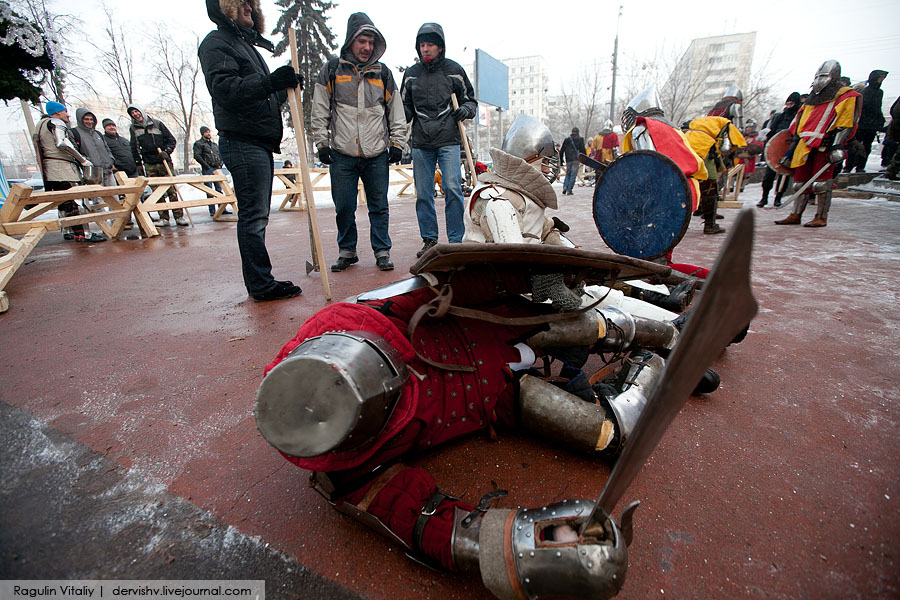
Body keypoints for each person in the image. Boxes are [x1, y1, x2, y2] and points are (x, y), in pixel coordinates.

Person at [253, 245, 730, 598]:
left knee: (589, 325)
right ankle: (656, 364)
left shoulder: (356, 315)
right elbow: (439, 527)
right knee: (613, 433)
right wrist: (546, 544)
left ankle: (670, 334)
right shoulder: (344, 465)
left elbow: (450, 287)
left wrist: (534, 280)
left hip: (493, 326)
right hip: (497, 400)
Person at [199, 0, 303, 303]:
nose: (248, 6)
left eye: (251, 2)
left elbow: (258, 100)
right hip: (242, 142)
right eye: (241, 1)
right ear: (225, 7)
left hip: (256, 140)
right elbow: (226, 89)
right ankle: (260, 284)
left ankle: (261, 280)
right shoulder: (217, 43)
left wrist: (283, 90)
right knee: (254, 217)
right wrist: (270, 82)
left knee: (258, 216)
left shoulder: (246, 47)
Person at [311, 12, 408, 273]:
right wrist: (321, 143)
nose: (366, 47)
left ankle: (382, 250)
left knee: (379, 206)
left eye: (370, 42)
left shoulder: (383, 73)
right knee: (344, 206)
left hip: (376, 152)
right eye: (361, 41)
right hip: (342, 152)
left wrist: (398, 143)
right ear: (351, 41)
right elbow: (320, 109)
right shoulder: (332, 70)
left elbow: (395, 111)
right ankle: (347, 250)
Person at [400, 22, 477, 258]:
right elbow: (403, 108)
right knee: (423, 192)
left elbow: (471, 101)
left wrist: (465, 109)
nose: (425, 49)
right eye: (422, 45)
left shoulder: (454, 71)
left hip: (448, 140)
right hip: (421, 142)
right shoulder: (411, 74)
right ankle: (429, 240)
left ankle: (455, 241)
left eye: (430, 44)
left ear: (440, 47)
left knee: (452, 187)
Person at [620, 87, 712, 278]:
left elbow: (648, 167)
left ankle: (715, 278)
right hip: (685, 192)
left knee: (652, 265)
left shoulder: (643, 127)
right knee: (661, 255)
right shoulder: (672, 127)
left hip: (666, 195)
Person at [775, 60, 861, 227]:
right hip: (804, 144)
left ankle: (820, 217)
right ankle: (796, 214)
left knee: (821, 183)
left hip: (826, 143)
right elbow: (799, 123)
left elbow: (845, 122)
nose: (820, 80)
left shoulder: (846, 96)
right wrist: (790, 149)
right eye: (818, 76)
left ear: (834, 77)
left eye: (824, 76)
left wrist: (837, 145)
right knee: (799, 182)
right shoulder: (811, 99)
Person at [463, 115, 569, 247]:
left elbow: (531, 220)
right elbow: (513, 255)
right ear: (527, 159)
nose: (547, 170)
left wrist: (550, 231)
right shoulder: (499, 201)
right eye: (544, 162)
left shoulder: (518, 193)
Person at [33, 101, 105, 242]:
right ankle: (85, 233)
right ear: (58, 112)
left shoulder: (40, 124)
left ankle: (69, 231)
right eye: (65, 111)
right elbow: (62, 143)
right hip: (64, 167)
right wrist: (82, 160)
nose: (67, 114)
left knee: (64, 202)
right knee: (79, 199)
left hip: (50, 169)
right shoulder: (56, 122)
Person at [683, 114, 747, 234]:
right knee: (710, 184)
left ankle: (700, 210)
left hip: (686, 146)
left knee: (688, 181)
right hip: (703, 148)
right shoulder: (726, 123)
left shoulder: (699, 122)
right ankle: (710, 225)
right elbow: (734, 143)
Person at [127, 105, 187, 227]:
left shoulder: (157, 124)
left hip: (163, 161)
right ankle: (163, 217)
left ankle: (179, 216)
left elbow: (171, 140)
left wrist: (167, 151)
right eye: (132, 113)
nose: (135, 114)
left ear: (141, 111)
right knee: (157, 192)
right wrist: (138, 163)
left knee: (171, 190)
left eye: (136, 111)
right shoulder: (134, 129)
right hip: (149, 163)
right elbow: (134, 147)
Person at [71, 107, 115, 240]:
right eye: (86, 119)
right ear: (80, 120)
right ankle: (104, 226)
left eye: (91, 119)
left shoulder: (98, 134)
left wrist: (111, 160)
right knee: (98, 200)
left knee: (114, 198)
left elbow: (106, 149)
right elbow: (75, 151)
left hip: (107, 168)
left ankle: (115, 225)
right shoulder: (75, 133)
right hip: (93, 171)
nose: (89, 122)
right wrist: (86, 162)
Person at [757, 92, 801, 208]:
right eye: (788, 103)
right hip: (776, 149)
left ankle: (778, 198)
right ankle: (764, 197)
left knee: (784, 176)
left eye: (791, 104)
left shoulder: (798, 118)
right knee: (768, 175)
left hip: (789, 150)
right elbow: (771, 134)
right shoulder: (779, 117)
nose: (789, 106)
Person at [848, 69, 888, 173]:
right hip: (861, 124)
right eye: (879, 78)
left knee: (867, 146)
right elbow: (861, 108)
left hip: (871, 125)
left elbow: (877, 108)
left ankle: (860, 166)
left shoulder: (879, 92)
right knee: (855, 146)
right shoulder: (864, 92)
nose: (881, 80)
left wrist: (880, 120)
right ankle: (849, 166)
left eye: (882, 78)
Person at [193, 125, 229, 216]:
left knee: (219, 189)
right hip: (208, 169)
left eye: (209, 132)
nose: (208, 134)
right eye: (206, 132)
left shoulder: (214, 145)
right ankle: (212, 211)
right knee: (209, 190)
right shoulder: (199, 144)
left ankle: (222, 208)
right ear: (202, 133)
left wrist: (220, 163)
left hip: (217, 168)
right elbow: (197, 156)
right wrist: (206, 166)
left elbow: (220, 154)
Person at [558, 126, 586, 195]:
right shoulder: (580, 139)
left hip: (568, 159)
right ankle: (569, 190)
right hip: (576, 159)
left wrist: (561, 161)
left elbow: (561, 151)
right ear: (578, 133)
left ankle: (565, 187)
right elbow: (583, 150)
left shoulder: (567, 140)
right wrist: (584, 160)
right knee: (573, 175)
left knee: (568, 173)